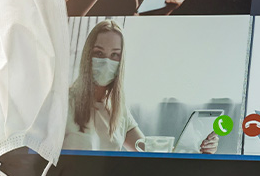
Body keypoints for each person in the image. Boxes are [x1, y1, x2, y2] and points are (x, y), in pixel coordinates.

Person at [64, 20, 217, 153]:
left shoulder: (119, 110)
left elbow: (152, 151)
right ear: (87, 56)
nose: (106, 62)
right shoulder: (63, 103)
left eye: (115, 55)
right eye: (98, 53)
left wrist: (198, 147)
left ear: (121, 62)